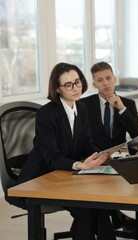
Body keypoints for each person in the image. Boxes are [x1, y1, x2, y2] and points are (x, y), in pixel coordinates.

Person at [17, 62, 116, 240]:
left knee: (100, 207)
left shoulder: (81, 108)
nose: (76, 88)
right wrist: (80, 165)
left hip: (67, 175)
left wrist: (102, 156)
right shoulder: (46, 114)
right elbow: (51, 157)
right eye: (68, 85)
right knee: (86, 211)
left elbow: (86, 143)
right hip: (42, 178)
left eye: (77, 82)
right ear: (57, 89)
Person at [81, 61, 138, 240]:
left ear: (114, 79)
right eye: (100, 80)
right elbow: (81, 137)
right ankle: (114, 220)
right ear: (94, 85)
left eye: (108, 78)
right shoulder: (84, 105)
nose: (106, 83)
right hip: (95, 162)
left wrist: (121, 108)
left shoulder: (128, 104)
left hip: (120, 160)